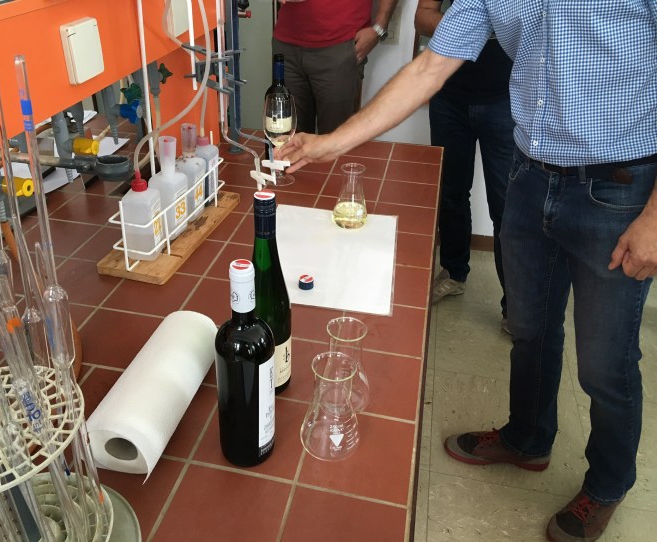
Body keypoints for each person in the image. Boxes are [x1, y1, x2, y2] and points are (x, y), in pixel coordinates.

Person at [277, 2, 657, 541]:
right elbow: (430, 67)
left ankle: (609, 482)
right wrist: (328, 143)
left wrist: (656, 217)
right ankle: (528, 438)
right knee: (528, 327)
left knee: (604, 360)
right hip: (530, 175)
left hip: (617, 188)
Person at [416, 0, 512, 334]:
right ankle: (454, 273)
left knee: (507, 206)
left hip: (506, 99)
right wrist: (477, 26)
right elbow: (422, 17)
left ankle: (515, 306)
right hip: (449, 96)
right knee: (451, 193)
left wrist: (475, 26)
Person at [272, 0, 398, 134]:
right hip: (287, 45)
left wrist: (379, 27)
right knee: (286, 137)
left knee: (335, 136)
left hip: (340, 45)